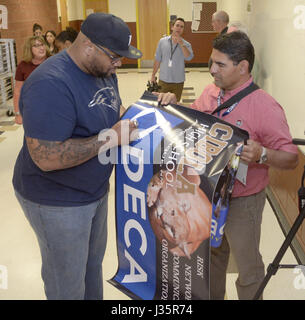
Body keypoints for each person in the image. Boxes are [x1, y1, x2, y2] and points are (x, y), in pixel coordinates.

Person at [156, 31, 298, 300]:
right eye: (212, 63)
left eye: (220, 65)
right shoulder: (211, 92)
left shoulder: (265, 107)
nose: (211, 70)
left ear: (243, 67)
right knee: (212, 257)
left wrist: (262, 154)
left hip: (243, 202)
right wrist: (176, 106)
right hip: (208, 194)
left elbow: (290, 157)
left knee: (247, 266)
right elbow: (194, 122)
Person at [12, 12, 142, 300]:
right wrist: (110, 138)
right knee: (67, 282)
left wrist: (149, 112)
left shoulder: (103, 70)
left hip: (93, 190)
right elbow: (47, 157)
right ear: (88, 46)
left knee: (91, 268)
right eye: (114, 57)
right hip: (57, 200)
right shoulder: (50, 84)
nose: (118, 65)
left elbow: (114, 108)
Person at [150, 17, 194, 102]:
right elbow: (157, 59)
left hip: (178, 81)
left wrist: (181, 44)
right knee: (160, 103)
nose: (179, 28)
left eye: (182, 27)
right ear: (172, 27)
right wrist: (153, 75)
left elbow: (189, 57)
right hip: (163, 80)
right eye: (177, 25)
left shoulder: (186, 44)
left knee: (175, 105)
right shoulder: (162, 41)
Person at [13, 36, 50, 124]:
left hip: (53, 106)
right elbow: (18, 91)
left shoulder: (53, 61)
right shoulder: (23, 65)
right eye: (36, 46)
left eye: (42, 44)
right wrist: (18, 113)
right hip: (32, 108)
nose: (41, 48)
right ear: (29, 49)